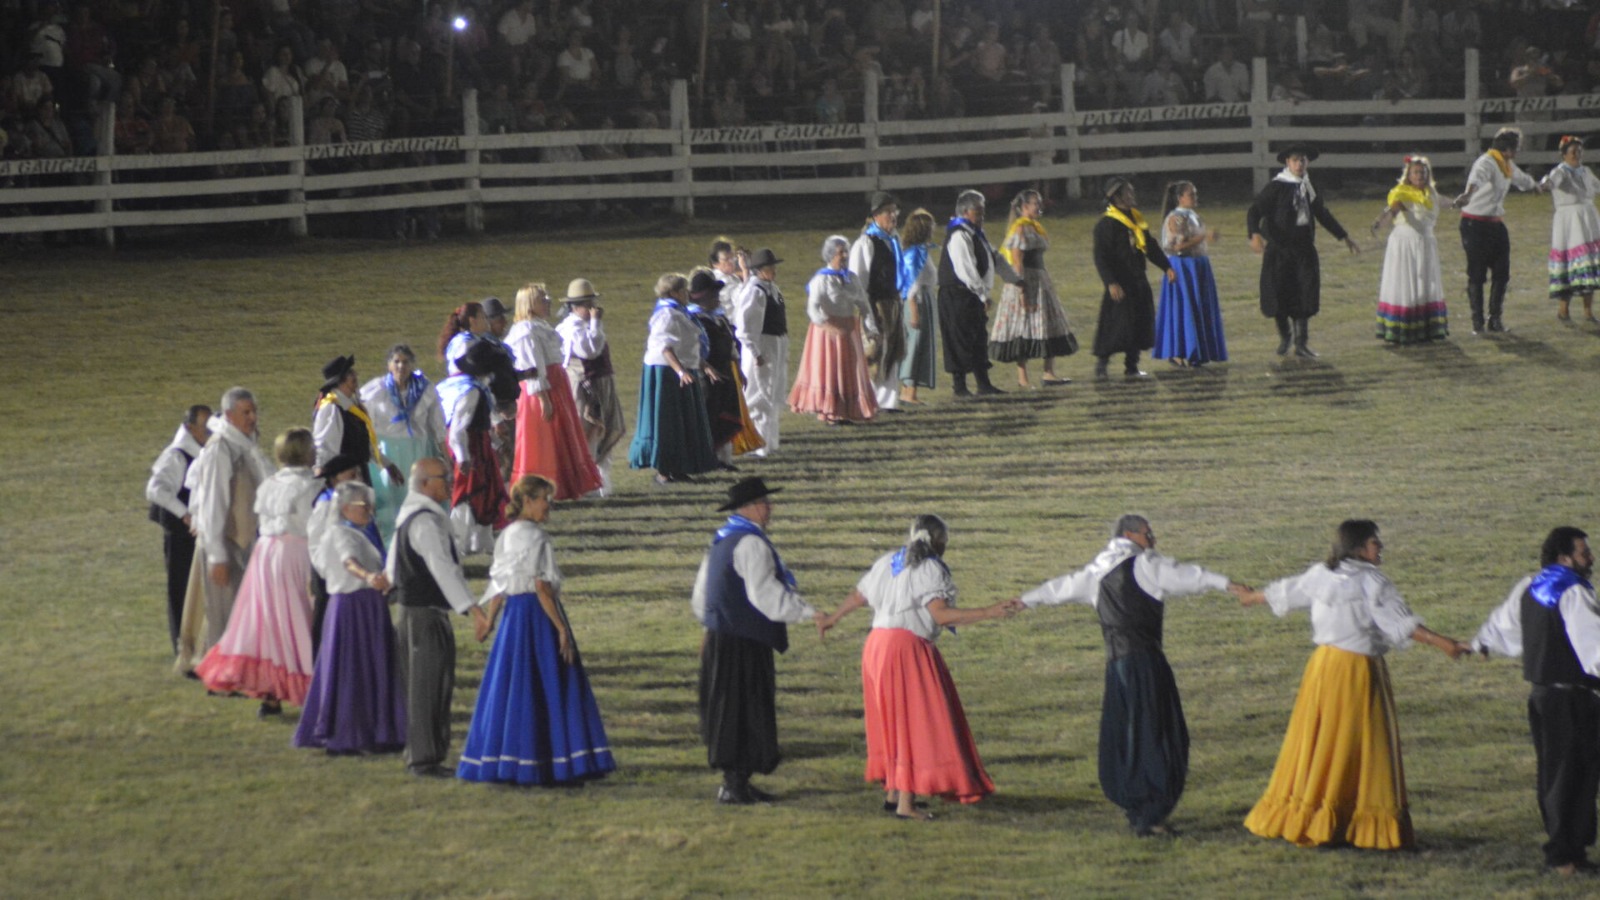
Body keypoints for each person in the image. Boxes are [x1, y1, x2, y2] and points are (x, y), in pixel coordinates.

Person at [1016, 514, 1252, 836]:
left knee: (1127, 736)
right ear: (1130, 534)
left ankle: (1136, 804)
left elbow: (1058, 588)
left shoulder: (1095, 572)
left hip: (1116, 669)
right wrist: (1225, 583)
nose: (1153, 539)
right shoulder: (1146, 565)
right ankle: (1151, 813)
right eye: (1148, 534)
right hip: (1146, 664)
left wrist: (1024, 601)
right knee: (1160, 735)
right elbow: (1187, 575)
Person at [1242, 520, 1470, 850]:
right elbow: (1400, 624)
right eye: (1375, 543)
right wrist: (1444, 643)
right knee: (1360, 745)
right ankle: (1351, 824)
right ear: (1359, 548)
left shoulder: (1322, 574)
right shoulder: (1372, 582)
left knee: (1321, 743)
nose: (1381, 548)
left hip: (1323, 669)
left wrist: (1253, 597)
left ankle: (1315, 815)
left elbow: (1290, 591)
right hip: (1356, 673)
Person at [818, 515, 1019, 819]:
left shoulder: (889, 560)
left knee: (891, 721)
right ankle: (906, 805)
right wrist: (990, 611)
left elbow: (860, 595)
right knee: (913, 723)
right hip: (905, 648)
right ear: (937, 540)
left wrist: (834, 618)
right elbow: (940, 615)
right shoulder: (929, 568)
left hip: (876, 646)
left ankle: (894, 792)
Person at [458, 475, 617, 786]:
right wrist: (561, 629)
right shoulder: (540, 539)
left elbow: (500, 584)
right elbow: (542, 587)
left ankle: (508, 760)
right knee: (550, 686)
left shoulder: (506, 536)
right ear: (528, 501)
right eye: (545, 499)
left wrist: (490, 621)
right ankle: (556, 760)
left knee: (512, 688)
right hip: (538, 618)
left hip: (513, 621)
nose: (549, 506)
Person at [1472, 526, 1600, 876]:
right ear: (1564, 558)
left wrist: (1482, 644)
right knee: (1576, 777)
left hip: (1542, 697)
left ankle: (1567, 852)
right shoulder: (1573, 592)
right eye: (1584, 552)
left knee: (1553, 775)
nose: (1590, 558)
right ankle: (1566, 856)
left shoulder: (1529, 585)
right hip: (1574, 700)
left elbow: (1502, 626)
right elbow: (1593, 649)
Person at [692, 477, 826, 804]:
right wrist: (809, 614)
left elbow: (702, 593)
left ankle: (735, 781)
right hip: (743, 640)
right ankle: (735, 784)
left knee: (727, 707)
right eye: (765, 502)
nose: (770, 508)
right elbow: (765, 595)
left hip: (722, 636)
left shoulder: (722, 540)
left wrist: (708, 627)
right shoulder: (752, 545)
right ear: (750, 508)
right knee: (745, 708)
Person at [195, 428, 324, 718]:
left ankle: (271, 696)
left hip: (265, 556)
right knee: (301, 619)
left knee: (268, 623)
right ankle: (309, 686)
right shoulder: (312, 487)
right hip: (296, 554)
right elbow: (312, 527)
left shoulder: (269, 484)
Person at [388, 457, 490, 777]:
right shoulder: (425, 523)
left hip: (412, 614)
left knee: (424, 685)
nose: (448, 481)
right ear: (424, 484)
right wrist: (472, 609)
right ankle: (424, 758)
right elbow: (442, 569)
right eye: (442, 477)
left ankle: (425, 754)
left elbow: (392, 565)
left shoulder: (410, 514)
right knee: (428, 687)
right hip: (424, 616)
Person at [293, 480, 406, 754]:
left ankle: (378, 729)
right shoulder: (340, 534)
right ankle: (349, 732)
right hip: (353, 607)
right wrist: (368, 576)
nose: (369, 510)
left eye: (370, 505)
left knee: (372, 666)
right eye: (362, 505)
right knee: (352, 669)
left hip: (368, 605)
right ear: (345, 508)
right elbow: (348, 561)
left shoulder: (361, 532)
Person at [175, 387, 273, 675]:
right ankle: (221, 676)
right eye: (246, 412)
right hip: (226, 543)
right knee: (224, 615)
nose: (253, 417)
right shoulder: (222, 448)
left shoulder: (244, 444)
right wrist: (217, 555)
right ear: (229, 415)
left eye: (254, 411)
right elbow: (214, 503)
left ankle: (231, 671)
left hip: (243, 541)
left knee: (239, 613)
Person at [1248, 145, 1361, 357]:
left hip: (1303, 250)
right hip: (1280, 251)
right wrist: (1254, 234)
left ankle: (1301, 343)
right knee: (1278, 294)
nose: (1300, 164)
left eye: (1303, 160)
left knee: (1304, 294)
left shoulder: (1308, 186)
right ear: (1287, 163)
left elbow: (1321, 213)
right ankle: (1285, 337)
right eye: (1296, 160)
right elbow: (1254, 211)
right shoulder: (1277, 187)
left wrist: (1344, 236)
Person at [505, 282, 604, 501]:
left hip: (555, 384)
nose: (548, 302)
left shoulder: (539, 326)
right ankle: (543, 485)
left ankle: (566, 484)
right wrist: (543, 398)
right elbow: (532, 366)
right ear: (530, 304)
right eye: (543, 299)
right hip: (542, 389)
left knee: (561, 435)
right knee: (543, 438)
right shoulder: (526, 330)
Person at [629, 273, 720, 485]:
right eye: (682, 290)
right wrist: (681, 371)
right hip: (666, 373)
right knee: (667, 422)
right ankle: (664, 470)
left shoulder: (680, 313)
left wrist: (704, 366)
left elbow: (687, 346)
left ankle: (678, 467)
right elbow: (666, 348)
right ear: (672, 293)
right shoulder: (667, 314)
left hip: (683, 369)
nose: (686, 294)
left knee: (681, 421)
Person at [359, 344, 447, 545]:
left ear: (412, 365)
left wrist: (446, 457)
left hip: (418, 450)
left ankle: (418, 542)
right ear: (389, 365)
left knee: (417, 495)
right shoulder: (376, 390)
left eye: (405, 362)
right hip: (388, 451)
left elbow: (437, 426)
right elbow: (365, 424)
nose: (401, 366)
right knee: (389, 498)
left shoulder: (425, 389)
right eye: (396, 362)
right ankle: (390, 545)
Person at [989, 189, 1076, 387]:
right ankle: (1023, 378)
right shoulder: (1020, 229)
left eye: (1039, 203)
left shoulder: (1034, 227)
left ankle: (1049, 373)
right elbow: (1017, 262)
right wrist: (1022, 292)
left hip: (1040, 279)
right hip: (1026, 281)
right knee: (1023, 326)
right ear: (1023, 208)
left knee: (1049, 323)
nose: (1039, 206)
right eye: (1034, 203)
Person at [938, 189, 1022, 397]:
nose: (982, 217)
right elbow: (965, 269)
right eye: (978, 212)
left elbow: (995, 258)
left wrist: (1016, 280)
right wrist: (982, 295)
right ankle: (960, 387)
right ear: (965, 212)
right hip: (957, 294)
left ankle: (983, 384)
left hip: (970, 295)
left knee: (977, 339)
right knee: (959, 339)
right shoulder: (959, 235)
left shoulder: (975, 234)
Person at [789, 236, 879, 426]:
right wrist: (826, 325)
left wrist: (870, 329)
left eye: (846, 251)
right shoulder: (822, 279)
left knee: (849, 369)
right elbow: (812, 307)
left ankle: (847, 410)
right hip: (828, 332)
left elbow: (864, 305)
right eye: (840, 253)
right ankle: (831, 412)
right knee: (831, 369)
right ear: (830, 255)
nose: (845, 256)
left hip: (848, 328)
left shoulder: (851, 278)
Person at [1456, 127, 1538, 334]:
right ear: (1508, 149)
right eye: (1517, 147)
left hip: (1494, 223)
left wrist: (1535, 186)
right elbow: (1477, 178)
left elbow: (1520, 178)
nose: (1518, 151)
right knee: (1477, 273)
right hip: (1475, 225)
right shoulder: (1487, 162)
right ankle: (1478, 323)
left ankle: (1495, 319)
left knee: (1502, 272)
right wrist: (1467, 194)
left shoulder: (1505, 165)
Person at [1093, 177, 1175, 380]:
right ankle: (1102, 365)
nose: (1132, 195)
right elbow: (1101, 257)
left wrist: (1166, 267)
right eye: (1128, 192)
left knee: (1139, 323)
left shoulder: (1137, 220)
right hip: (1120, 282)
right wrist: (1110, 282)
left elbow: (1150, 246)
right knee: (1115, 325)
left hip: (1138, 279)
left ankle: (1132, 365)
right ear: (1117, 197)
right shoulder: (1106, 225)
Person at [146, 403, 210, 655]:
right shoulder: (177, 455)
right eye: (203, 427)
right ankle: (183, 648)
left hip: (194, 533)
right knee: (181, 589)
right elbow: (155, 489)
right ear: (189, 427)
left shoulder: (201, 451)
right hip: (181, 535)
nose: (208, 432)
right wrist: (184, 514)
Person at [437, 340, 511, 555]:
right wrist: (463, 457)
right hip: (469, 446)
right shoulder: (471, 391)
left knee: (486, 492)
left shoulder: (448, 385)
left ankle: (482, 541)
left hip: (470, 443)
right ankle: (457, 544)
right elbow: (459, 428)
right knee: (466, 494)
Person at [555, 278, 626, 496]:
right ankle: (589, 484)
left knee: (604, 432)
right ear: (576, 306)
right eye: (588, 304)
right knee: (589, 433)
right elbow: (590, 351)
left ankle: (601, 482)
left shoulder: (583, 325)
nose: (592, 309)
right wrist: (596, 323)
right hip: (585, 385)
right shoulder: (571, 328)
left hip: (601, 382)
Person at [1371, 156, 1454, 344]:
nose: (1419, 176)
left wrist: (1468, 200)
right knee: (1405, 284)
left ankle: (1426, 328)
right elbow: (1390, 211)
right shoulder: (1401, 193)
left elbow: (1449, 203)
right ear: (1408, 174)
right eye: (1416, 172)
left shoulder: (1431, 194)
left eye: (1423, 172)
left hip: (1425, 243)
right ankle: (1404, 328)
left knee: (1425, 283)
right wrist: (1378, 224)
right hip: (1404, 245)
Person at [1154, 181, 1228, 366]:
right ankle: (1180, 351)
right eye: (1191, 194)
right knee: (1185, 309)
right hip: (1184, 267)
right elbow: (1177, 247)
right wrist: (1204, 237)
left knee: (1198, 308)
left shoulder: (1193, 215)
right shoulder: (1176, 218)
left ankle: (1198, 351)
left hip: (1198, 266)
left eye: (1195, 194)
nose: (1195, 197)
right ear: (1180, 198)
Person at [849, 191, 908, 412]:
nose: (894, 216)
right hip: (875, 304)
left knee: (893, 351)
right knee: (874, 353)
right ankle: (868, 400)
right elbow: (858, 280)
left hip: (893, 301)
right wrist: (867, 314)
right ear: (876, 216)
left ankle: (887, 401)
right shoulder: (866, 243)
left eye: (895, 211)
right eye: (888, 212)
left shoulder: (893, 239)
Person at [688, 270, 752, 468]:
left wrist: (739, 369)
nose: (718, 298)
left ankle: (725, 458)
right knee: (710, 415)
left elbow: (731, 344)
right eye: (714, 294)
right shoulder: (694, 319)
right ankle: (708, 457)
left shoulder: (720, 317)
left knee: (727, 414)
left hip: (725, 371)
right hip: (707, 375)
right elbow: (692, 349)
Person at [731, 248, 789, 457]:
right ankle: (754, 444)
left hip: (775, 345)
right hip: (763, 346)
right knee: (758, 396)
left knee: (772, 395)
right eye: (770, 267)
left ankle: (768, 443)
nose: (774, 270)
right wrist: (756, 353)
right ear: (759, 270)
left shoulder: (772, 289)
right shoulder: (755, 292)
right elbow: (745, 329)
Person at [313, 354, 401, 486]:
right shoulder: (332, 408)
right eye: (350, 372)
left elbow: (363, 443)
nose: (355, 375)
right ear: (340, 380)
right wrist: (324, 480)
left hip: (357, 474)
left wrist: (387, 464)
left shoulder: (351, 404)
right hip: (343, 479)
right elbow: (324, 448)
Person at [1540, 136, 1600, 324]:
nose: (1577, 155)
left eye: (1579, 151)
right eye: (1573, 152)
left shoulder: (1586, 171)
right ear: (1564, 154)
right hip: (1569, 222)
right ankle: (1563, 309)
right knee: (1569, 263)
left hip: (1587, 219)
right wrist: (1544, 184)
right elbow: (1550, 181)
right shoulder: (1560, 172)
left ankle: (1588, 311)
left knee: (1587, 263)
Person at [897, 209, 940, 404]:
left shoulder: (920, 250)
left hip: (925, 300)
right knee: (915, 345)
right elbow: (911, 285)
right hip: (919, 302)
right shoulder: (915, 254)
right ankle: (909, 392)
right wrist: (914, 311)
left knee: (919, 345)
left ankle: (909, 391)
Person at [439, 301, 489, 376]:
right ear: (473, 321)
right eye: (483, 317)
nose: (486, 320)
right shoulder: (470, 343)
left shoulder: (456, 340)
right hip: (467, 386)